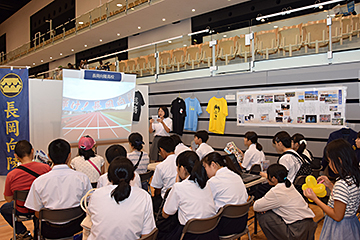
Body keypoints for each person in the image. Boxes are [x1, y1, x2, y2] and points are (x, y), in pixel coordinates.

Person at [25, 139, 92, 239]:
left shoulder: (39, 181)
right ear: (69, 155)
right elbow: (88, 203)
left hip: (50, 230)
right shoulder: (82, 178)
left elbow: (37, 212)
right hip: (76, 227)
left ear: (48, 156)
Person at [304, 139, 360, 240]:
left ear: (339, 160)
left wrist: (315, 199)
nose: (329, 165)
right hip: (351, 224)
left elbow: (337, 215)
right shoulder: (353, 178)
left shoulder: (341, 184)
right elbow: (345, 198)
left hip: (339, 229)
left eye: (330, 161)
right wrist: (330, 185)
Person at [88, 157, 156, 240]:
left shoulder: (96, 194)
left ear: (109, 177)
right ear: (133, 176)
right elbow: (147, 233)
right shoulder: (143, 196)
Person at [0, 140, 51, 240]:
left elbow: (9, 199)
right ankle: (38, 231)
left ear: (15, 156)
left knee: (4, 208)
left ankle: (22, 232)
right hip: (41, 208)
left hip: (22, 209)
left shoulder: (12, 175)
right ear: (32, 151)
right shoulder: (46, 168)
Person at [162, 151, 217, 239]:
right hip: (211, 233)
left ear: (183, 168)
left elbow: (165, 214)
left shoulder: (179, 187)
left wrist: (177, 184)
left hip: (189, 235)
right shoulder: (206, 184)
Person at [254, 164, 317, 240]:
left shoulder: (276, 191)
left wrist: (265, 208)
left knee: (264, 216)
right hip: (309, 226)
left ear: (273, 178)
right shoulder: (289, 185)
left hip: (297, 231)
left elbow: (256, 207)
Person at [202, 152, 248, 236]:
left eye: (205, 167)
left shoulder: (214, 181)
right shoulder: (236, 176)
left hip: (225, 227)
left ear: (213, 165)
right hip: (242, 223)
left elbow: (205, 204)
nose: (205, 171)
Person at [150, 137, 177, 212]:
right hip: (181, 198)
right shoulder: (181, 161)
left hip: (166, 200)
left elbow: (157, 189)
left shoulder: (161, 166)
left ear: (161, 150)